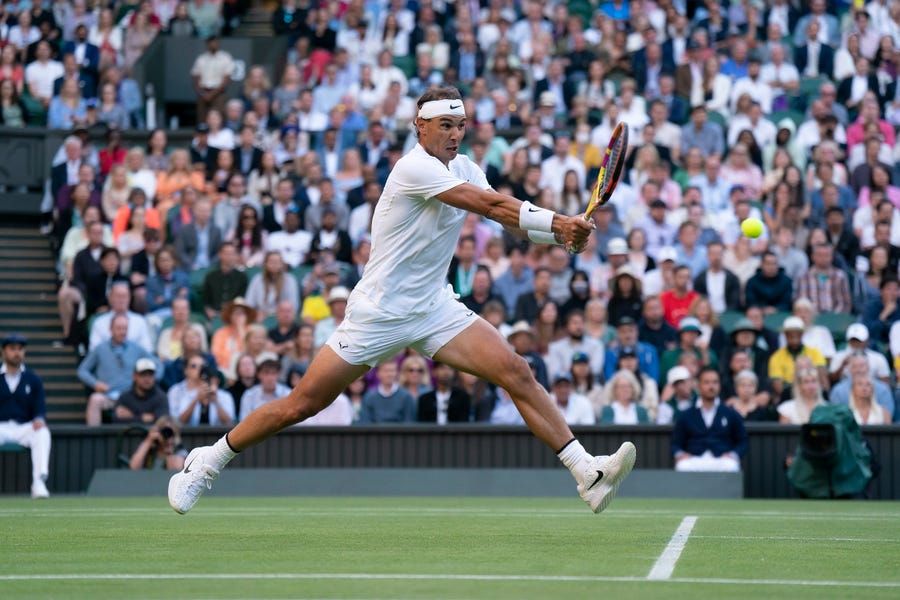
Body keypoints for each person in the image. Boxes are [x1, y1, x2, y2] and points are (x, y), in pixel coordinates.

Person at [169, 87, 635, 515]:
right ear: (421, 127)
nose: (455, 135)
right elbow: (491, 207)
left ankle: (586, 473)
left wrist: (560, 238)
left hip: (433, 307)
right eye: (445, 126)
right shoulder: (412, 168)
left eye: (461, 126)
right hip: (379, 313)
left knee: (516, 370)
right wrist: (558, 222)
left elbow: (508, 221)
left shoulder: (468, 167)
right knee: (301, 404)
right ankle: (207, 460)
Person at [0, 334, 51, 498]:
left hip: (23, 428)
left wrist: (39, 419)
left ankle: (39, 483)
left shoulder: (33, 379)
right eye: (12, 349)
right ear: (3, 351)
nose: (17, 353)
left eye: (20, 349)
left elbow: (40, 408)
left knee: (42, 432)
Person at [671, 367, 749, 473]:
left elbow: (743, 441)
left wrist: (733, 454)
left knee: (731, 465)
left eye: (715, 382)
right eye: (706, 382)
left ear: (719, 386)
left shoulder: (730, 413)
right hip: (694, 459)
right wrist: (680, 454)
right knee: (683, 466)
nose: (711, 386)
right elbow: (676, 443)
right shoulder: (686, 414)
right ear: (698, 386)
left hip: (721, 459)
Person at [169, 361, 236, 426]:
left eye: (210, 379)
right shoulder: (189, 395)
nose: (206, 382)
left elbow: (228, 423)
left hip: (219, 435)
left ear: (217, 381)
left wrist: (216, 402)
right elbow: (181, 421)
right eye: (203, 379)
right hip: (192, 436)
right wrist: (196, 399)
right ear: (199, 380)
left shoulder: (225, 396)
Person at [113, 359, 169, 425]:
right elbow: (115, 420)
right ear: (134, 376)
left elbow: (161, 421)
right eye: (143, 374)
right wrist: (141, 418)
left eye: (150, 375)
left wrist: (131, 417)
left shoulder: (161, 397)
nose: (147, 379)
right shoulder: (124, 397)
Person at [239, 354, 292, 422]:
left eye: (273, 373)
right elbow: (244, 422)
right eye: (266, 373)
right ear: (259, 375)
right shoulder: (249, 395)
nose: (270, 378)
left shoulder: (288, 394)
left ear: (278, 375)